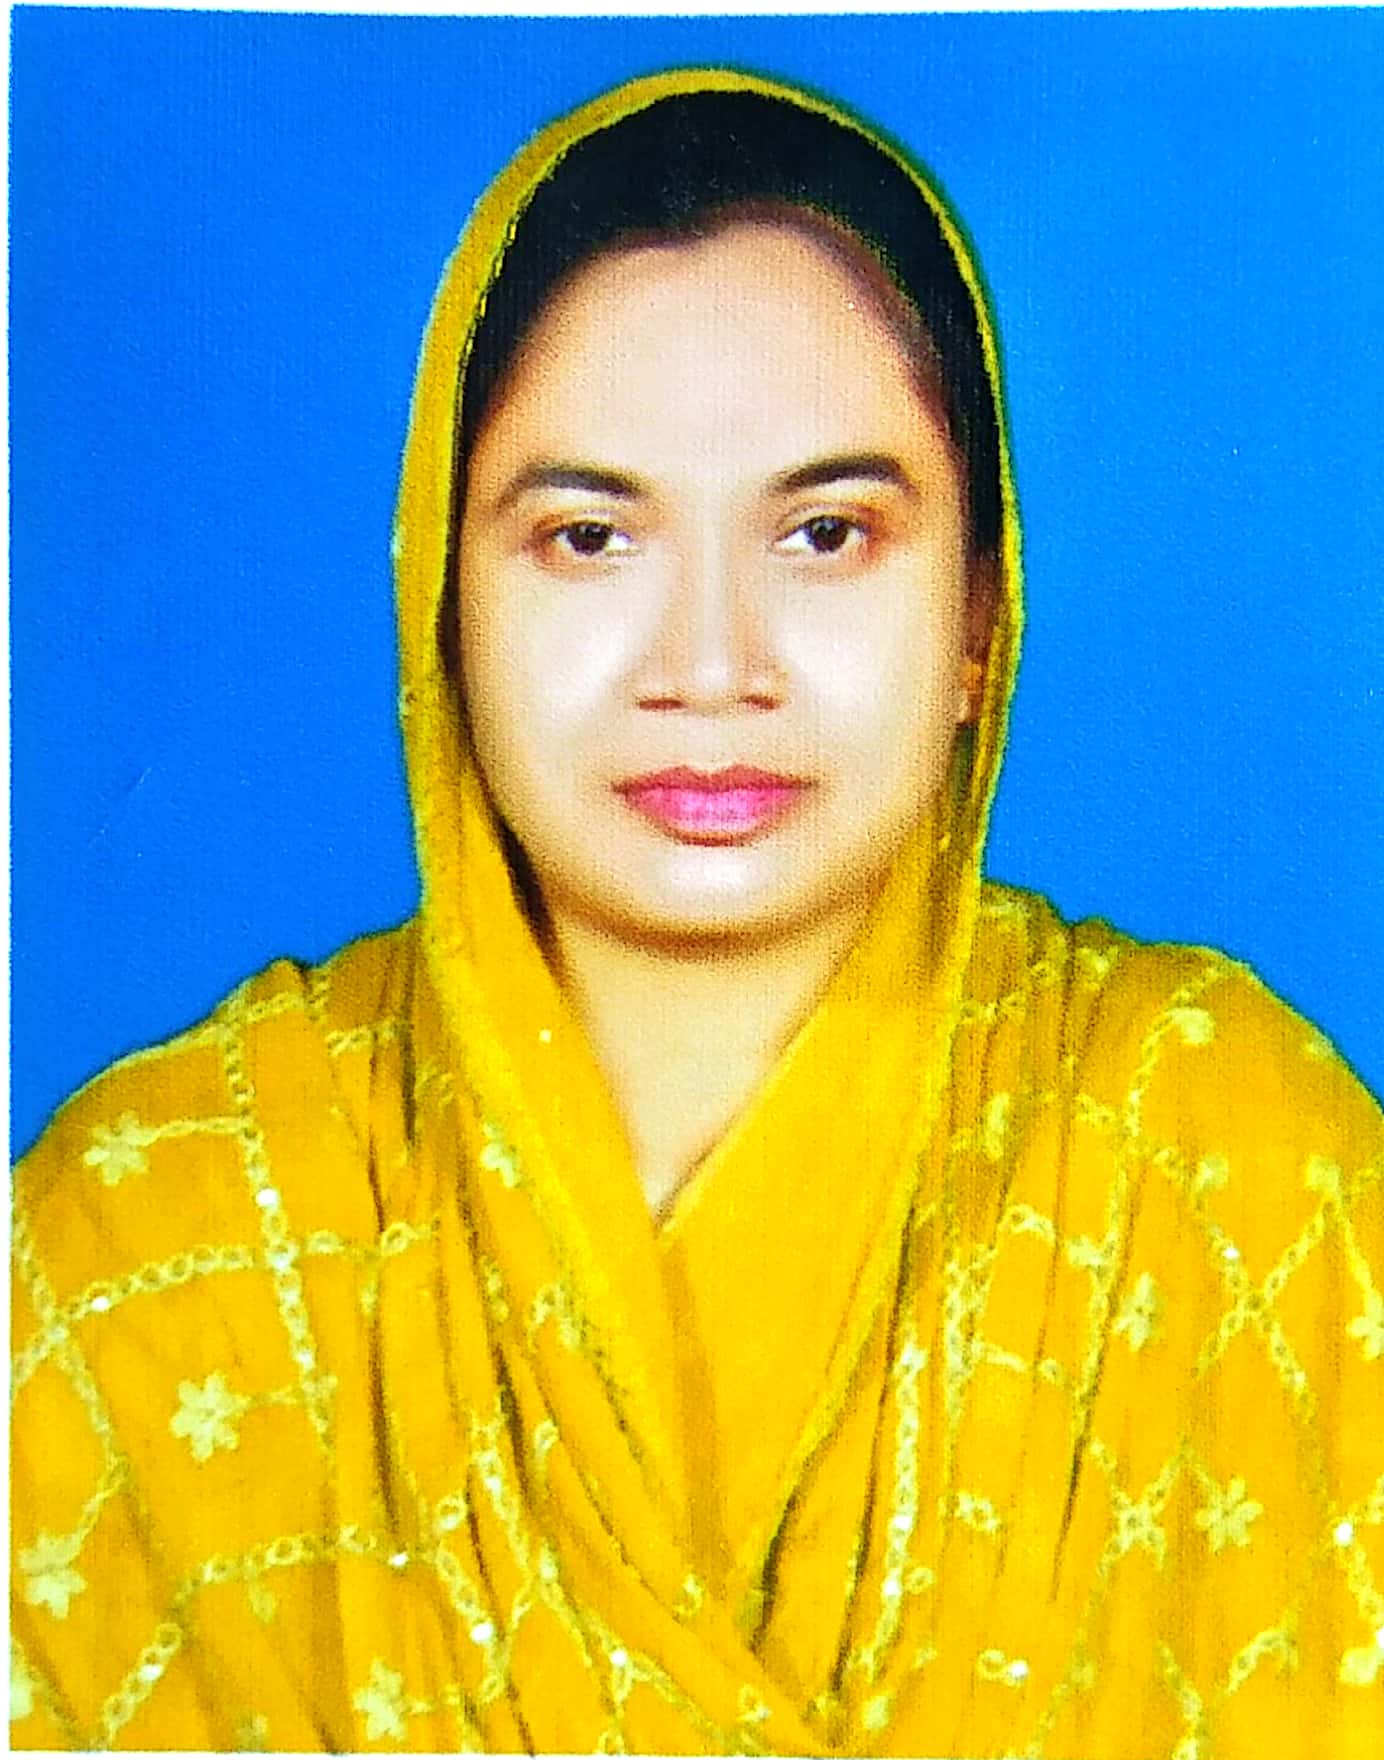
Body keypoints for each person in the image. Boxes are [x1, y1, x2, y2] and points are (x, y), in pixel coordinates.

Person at [10, 65, 1382, 1758]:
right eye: (590, 539)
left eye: (827, 534)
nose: (712, 666)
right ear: (443, 600)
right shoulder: (154, 1247)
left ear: (979, 613)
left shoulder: (1236, 1172)